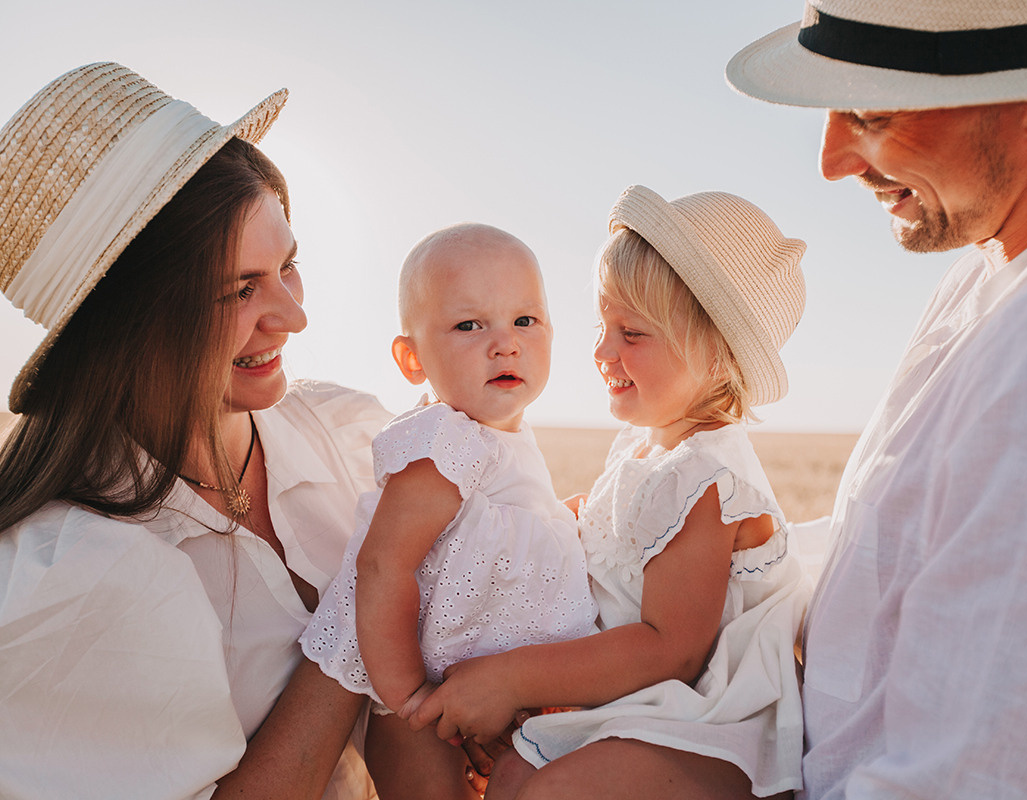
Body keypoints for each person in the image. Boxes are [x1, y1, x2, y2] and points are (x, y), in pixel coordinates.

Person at [725, 0, 1027, 797]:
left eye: (871, 113)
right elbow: (899, 563)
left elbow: (986, 777)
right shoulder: (1004, 268)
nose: (832, 160)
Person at [0, 62, 394, 798]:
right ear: (128, 328)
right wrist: (365, 601)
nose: (293, 316)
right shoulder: (73, 582)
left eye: (288, 266)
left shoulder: (345, 433)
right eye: (239, 290)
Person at [408, 186, 811, 800]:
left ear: (717, 356)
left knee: (551, 791)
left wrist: (510, 679)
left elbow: (669, 649)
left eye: (632, 333)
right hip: (647, 698)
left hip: (712, 715)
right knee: (512, 776)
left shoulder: (709, 480)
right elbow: (594, 527)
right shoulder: (643, 448)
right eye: (603, 326)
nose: (602, 351)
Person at [299, 222, 598, 799]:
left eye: (525, 320)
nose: (505, 343)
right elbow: (383, 565)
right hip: (429, 700)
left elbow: (493, 532)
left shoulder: (506, 441)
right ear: (412, 357)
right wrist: (412, 696)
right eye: (469, 325)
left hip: (499, 691)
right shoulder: (444, 440)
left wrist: (565, 520)